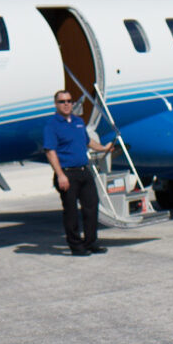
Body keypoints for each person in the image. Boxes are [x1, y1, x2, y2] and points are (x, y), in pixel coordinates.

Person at [44, 90, 114, 256]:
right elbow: (50, 152)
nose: (67, 104)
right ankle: (76, 246)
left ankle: (91, 242)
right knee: (71, 212)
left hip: (84, 170)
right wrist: (60, 175)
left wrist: (103, 148)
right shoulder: (52, 125)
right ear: (56, 104)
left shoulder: (78, 122)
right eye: (62, 101)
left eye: (69, 101)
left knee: (91, 207)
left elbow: (87, 141)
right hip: (67, 174)